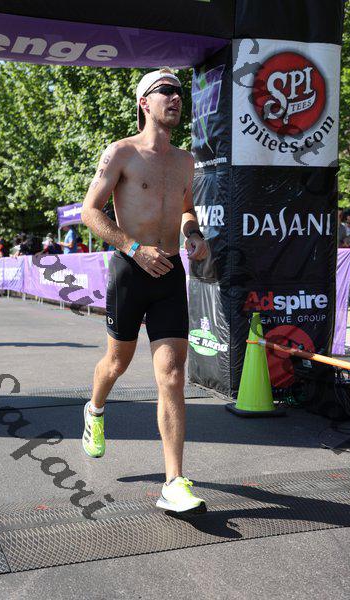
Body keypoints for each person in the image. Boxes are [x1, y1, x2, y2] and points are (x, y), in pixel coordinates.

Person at [81, 67, 209, 515]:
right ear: (144, 102)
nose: (175, 98)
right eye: (165, 91)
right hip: (130, 271)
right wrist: (133, 248)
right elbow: (90, 211)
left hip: (170, 272)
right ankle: (95, 409)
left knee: (172, 375)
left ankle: (173, 482)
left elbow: (187, 209)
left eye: (179, 92)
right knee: (116, 362)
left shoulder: (186, 161)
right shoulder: (121, 152)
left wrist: (193, 234)